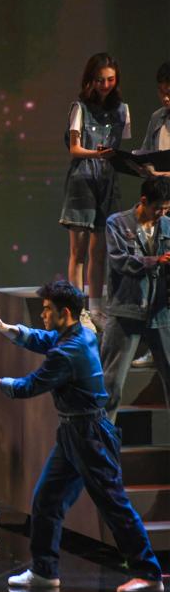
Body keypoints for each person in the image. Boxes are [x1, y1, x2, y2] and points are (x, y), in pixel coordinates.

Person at [0, 281, 164, 592]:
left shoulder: (69, 352)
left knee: (115, 506)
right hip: (73, 432)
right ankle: (44, 571)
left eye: (46, 310)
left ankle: (149, 574)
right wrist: (5, 329)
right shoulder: (76, 334)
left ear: (64, 313)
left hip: (90, 436)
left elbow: (30, 385)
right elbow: (42, 339)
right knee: (46, 501)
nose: (42, 315)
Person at [60, 52, 131, 331]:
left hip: (108, 183)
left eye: (110, 79)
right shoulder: (80, 108)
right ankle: (78, 311)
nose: (105, 85)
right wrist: (98, 154)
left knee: (99, 252)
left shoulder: (122, 110)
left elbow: (121, 147)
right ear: (90, 80)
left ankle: (97, 308)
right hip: (82, 181)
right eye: (100, 80)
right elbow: (74, 149)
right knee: (77, 252)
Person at [100, 176, 170, 422]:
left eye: (166, 209)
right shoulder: (117, 223)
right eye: (158, 208)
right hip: (126, 310)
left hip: (161, 312)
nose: (162, 214)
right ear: (143, 201)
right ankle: (101, 440)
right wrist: (155, 261)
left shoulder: (167, 225)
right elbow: (120, 262)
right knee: (111, 383)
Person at [128, 61, 170, 368]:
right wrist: (141, 166)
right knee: (154, 276)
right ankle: (154, 347)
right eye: (162, 92)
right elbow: (146, 153)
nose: (165, 98)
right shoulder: (158, 118)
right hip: (159, 205)